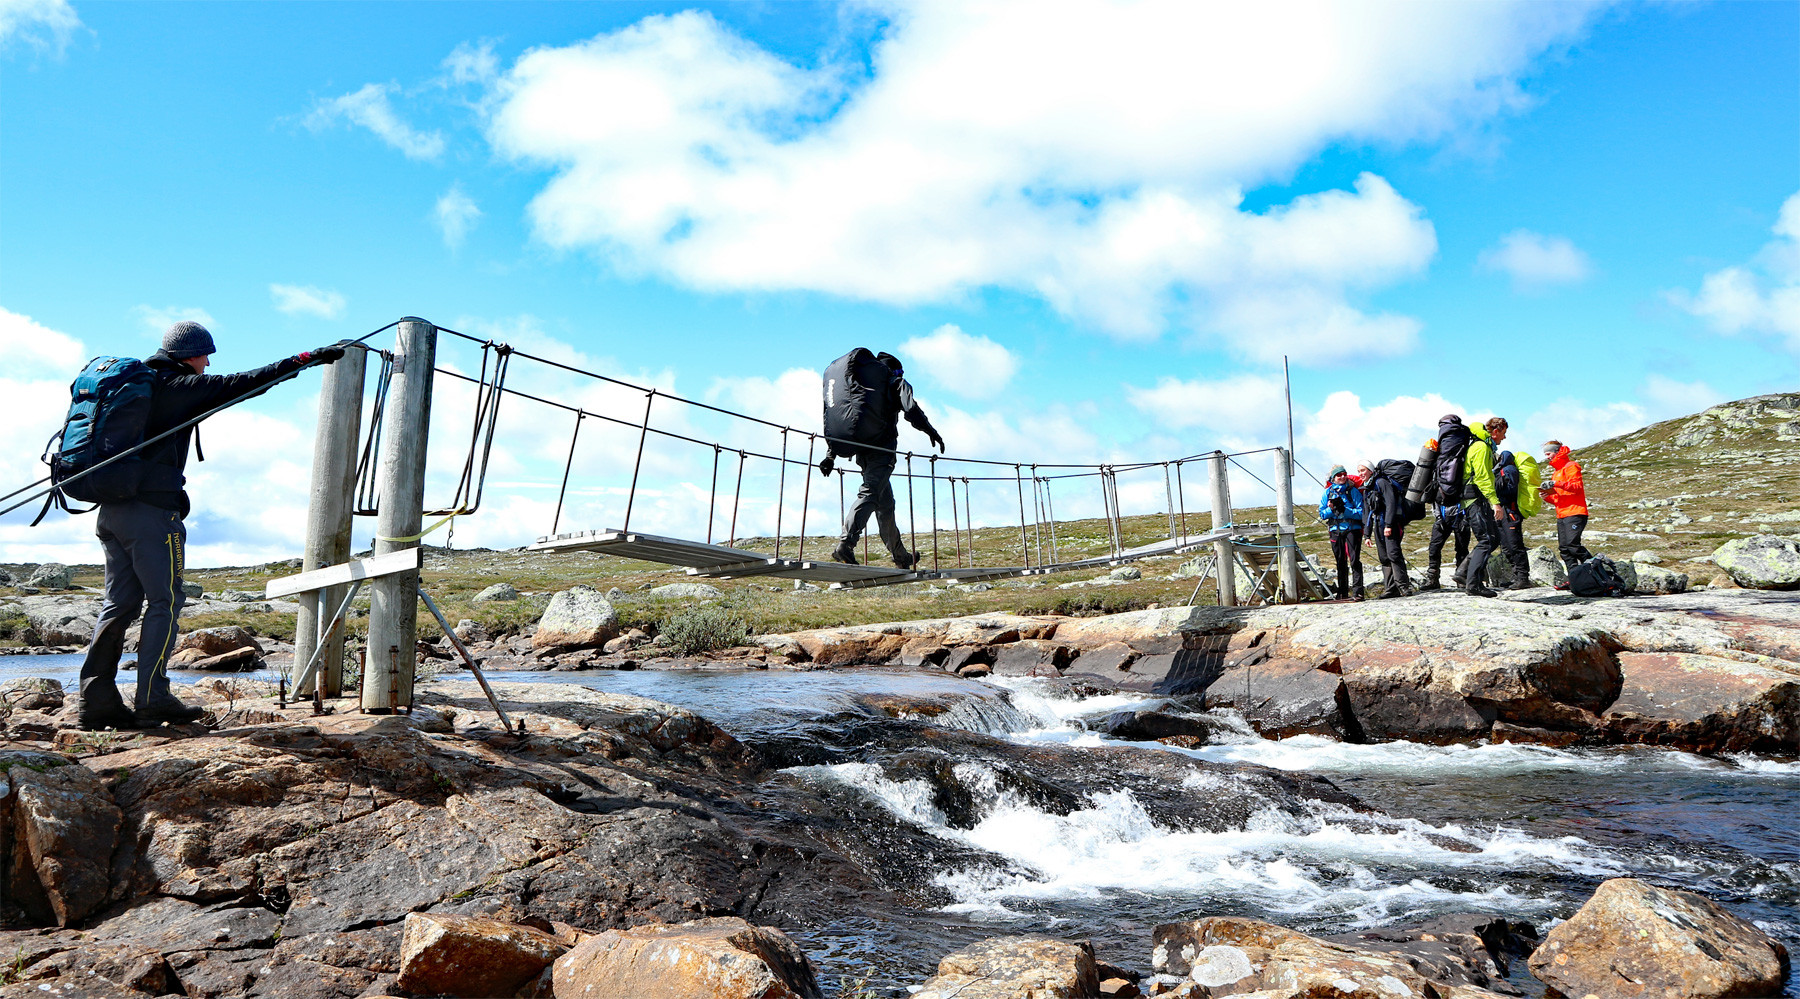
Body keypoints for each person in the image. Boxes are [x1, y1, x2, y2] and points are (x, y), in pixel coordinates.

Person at [77, 322, 347, 730]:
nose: (207, 364)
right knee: (165, 602)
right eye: (205, 355)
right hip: (153, 515)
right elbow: (246, 383)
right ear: (189, 354)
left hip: (111, 511)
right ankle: (153, 697)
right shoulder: (178, 386)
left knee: (119, 605)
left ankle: (96, 701)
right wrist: (306, 359)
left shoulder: (138, 388)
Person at [818, 350, 944, 568]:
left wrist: (831, 455)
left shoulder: (862, 385)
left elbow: (835, 415)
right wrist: (931, 431)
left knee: (885, 505)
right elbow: (910, 408)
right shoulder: (894, 381)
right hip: (882, 452)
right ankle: (846, 544)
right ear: (895, 370)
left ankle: (901, 556)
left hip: (862, 451)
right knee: (870, 493)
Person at [1458, 416, 1508, 598]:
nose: (1504, 437)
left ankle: (1466, 574)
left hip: (1475, 499)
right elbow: (1482, 477)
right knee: (1486, 540)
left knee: (1493, 538)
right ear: (1495, 431)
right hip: (1474, 499)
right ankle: (1472, 584)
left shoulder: (1480, 446)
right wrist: (1495, 502)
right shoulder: (1481, 447)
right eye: (1503, 433)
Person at [1357, 459, 1416, 599]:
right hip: (1378, 525)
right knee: (1384, 557)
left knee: (1393, 554)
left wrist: (1389, 525)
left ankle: (1404, 587)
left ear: (1370, 470)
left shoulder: (1381, 482)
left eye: (1363, 470)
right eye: (1359, 471)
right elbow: (1367, 512)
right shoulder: (1368, 488)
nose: (1360, 474)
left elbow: (1391, 503)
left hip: (1390, 524)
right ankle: (1390, 589)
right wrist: (1367, 535)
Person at [1542, 440, 1592, 576]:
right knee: (1564, 549)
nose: (1547, 457)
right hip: (1562, 514)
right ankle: (1575, 578)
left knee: (1572, 545)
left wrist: (1557, 483)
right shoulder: (1556, 472)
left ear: (1557, 452)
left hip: (1575, 512)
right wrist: (1546, 497)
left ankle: (1595, 568)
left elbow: (1577, 487)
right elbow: (1558, 499)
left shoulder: (1571, 466)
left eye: (1548, 454)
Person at [1317, 465, 1365, 600]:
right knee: (1340, 561)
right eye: (1339, 475)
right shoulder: (1327, 493)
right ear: (1333, 478)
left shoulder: (1353, 491)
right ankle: (1342, 593)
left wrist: (1345, 510)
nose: (1343, 477)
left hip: (1352, 530)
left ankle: (1358, 592)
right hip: (1335, 530)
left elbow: (1362, 512)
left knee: (1354, 560)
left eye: (1344, 474)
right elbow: (1322, 514)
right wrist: (1332, 509)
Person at [1492, 448, 1532, 590]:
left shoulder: (1509, 469)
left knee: (1515, 544)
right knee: (1506, 546)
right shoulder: (1501, 470)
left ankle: (1523, 578)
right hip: (1503, 510)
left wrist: (1498, 485)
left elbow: (1511, 490)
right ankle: (1517, 577)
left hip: (1510, 511)